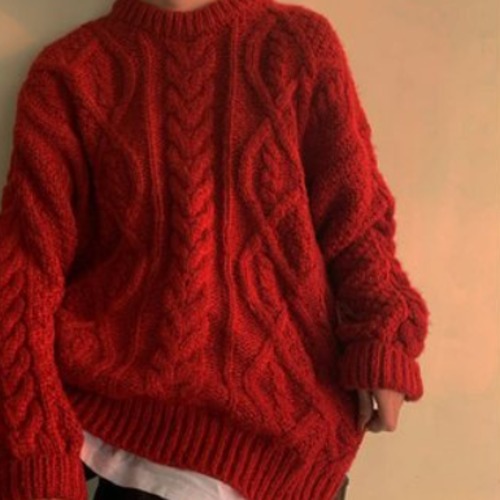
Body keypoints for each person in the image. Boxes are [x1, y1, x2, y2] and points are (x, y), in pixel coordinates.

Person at [0, 0, 430, 498]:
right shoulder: (70, 73)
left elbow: (355, 215)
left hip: (295, 430)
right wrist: (36, 452)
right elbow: (24, 272)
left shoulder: (298, 46)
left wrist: (382, 336)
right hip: (129, 432)